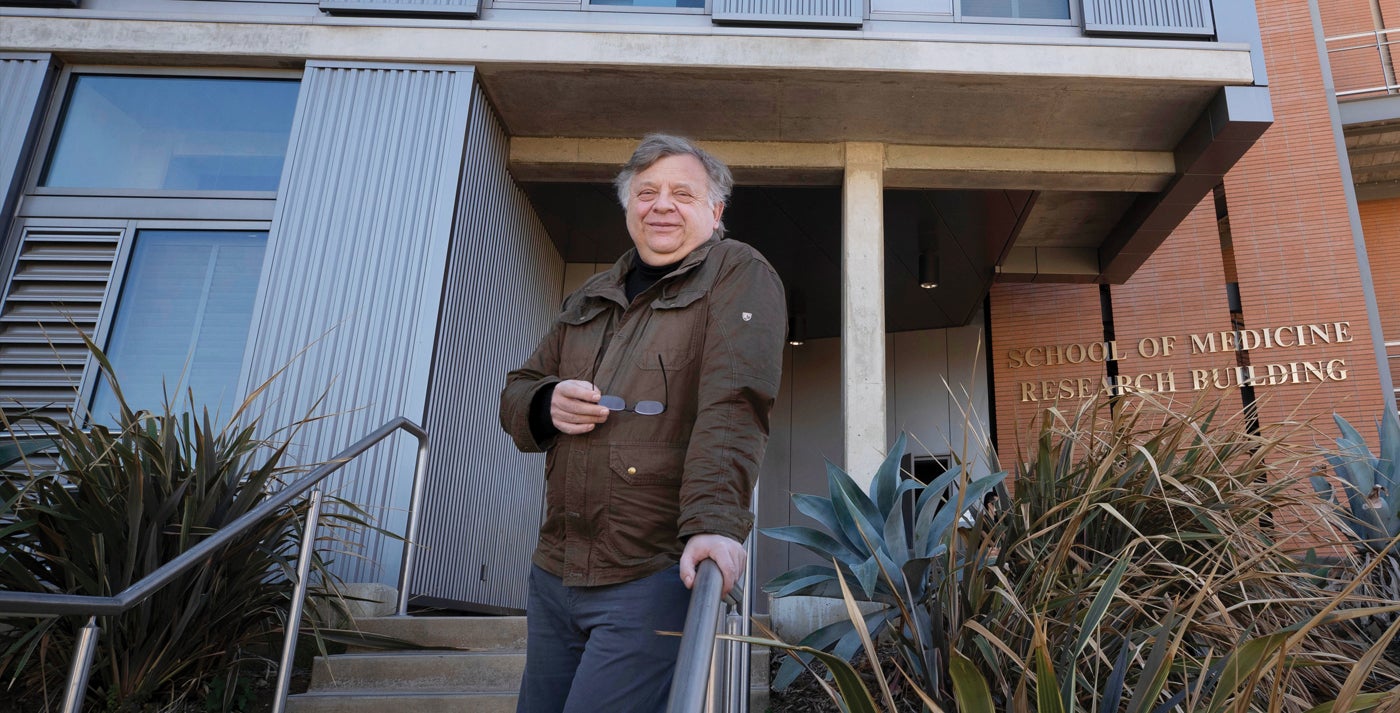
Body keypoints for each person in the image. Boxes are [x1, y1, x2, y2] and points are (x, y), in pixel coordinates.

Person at [499, 133, 786, 712]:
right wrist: (546, 401)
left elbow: (735, 402)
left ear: (715, 210)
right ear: (628, 205)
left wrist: (715, 524)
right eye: (647, 191)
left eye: (683, 193)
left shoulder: (736, 272)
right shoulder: (590, 296)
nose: (662, 204)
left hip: (650, 572)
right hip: (555, 572)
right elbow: (518, 388)